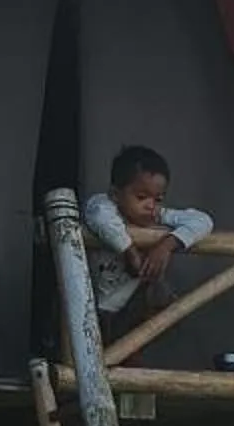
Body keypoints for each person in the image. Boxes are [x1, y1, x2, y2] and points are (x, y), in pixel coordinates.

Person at [82, 144, 213, 341]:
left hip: (132, 312)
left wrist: (167, 245)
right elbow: (98, 213)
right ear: (116, 194)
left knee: (130, 350)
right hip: (89, 309)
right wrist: (129, 250)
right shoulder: (104, 206)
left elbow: (203, 221)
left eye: (158, 199)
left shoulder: (158, 216)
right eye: (141, 197)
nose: (151, 205)